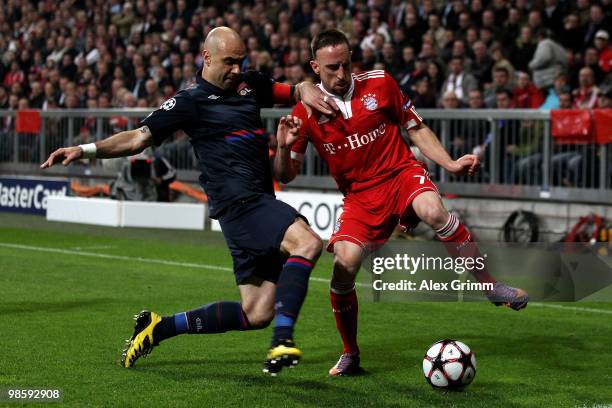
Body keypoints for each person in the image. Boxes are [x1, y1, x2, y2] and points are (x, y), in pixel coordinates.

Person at [41, 26, 339, 376]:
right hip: (239, 205)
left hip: (256, 203)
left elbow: (292, 89)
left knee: (256, 312)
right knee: (306, 242)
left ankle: (159, 327)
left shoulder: (250, 85)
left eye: (241, 61)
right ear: (206, 56)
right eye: (229, 61)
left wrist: (304, 89)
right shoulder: (189, 102)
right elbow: (138, 138)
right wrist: (85, 149)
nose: (236, 69)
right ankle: (283, 339)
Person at [274, 29, 529, 377]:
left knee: (434, 210)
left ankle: (490, 286)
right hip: (360, 198)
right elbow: (285, 175)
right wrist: (285, 147)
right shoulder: (304, 111)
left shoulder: (380, 83)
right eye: (332, 67)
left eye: (346, 64)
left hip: (400, 174)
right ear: (315, 67)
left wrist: (450, 163)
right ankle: (350, 354)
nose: (341, 74)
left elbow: (416, 128)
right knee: (344, 265)